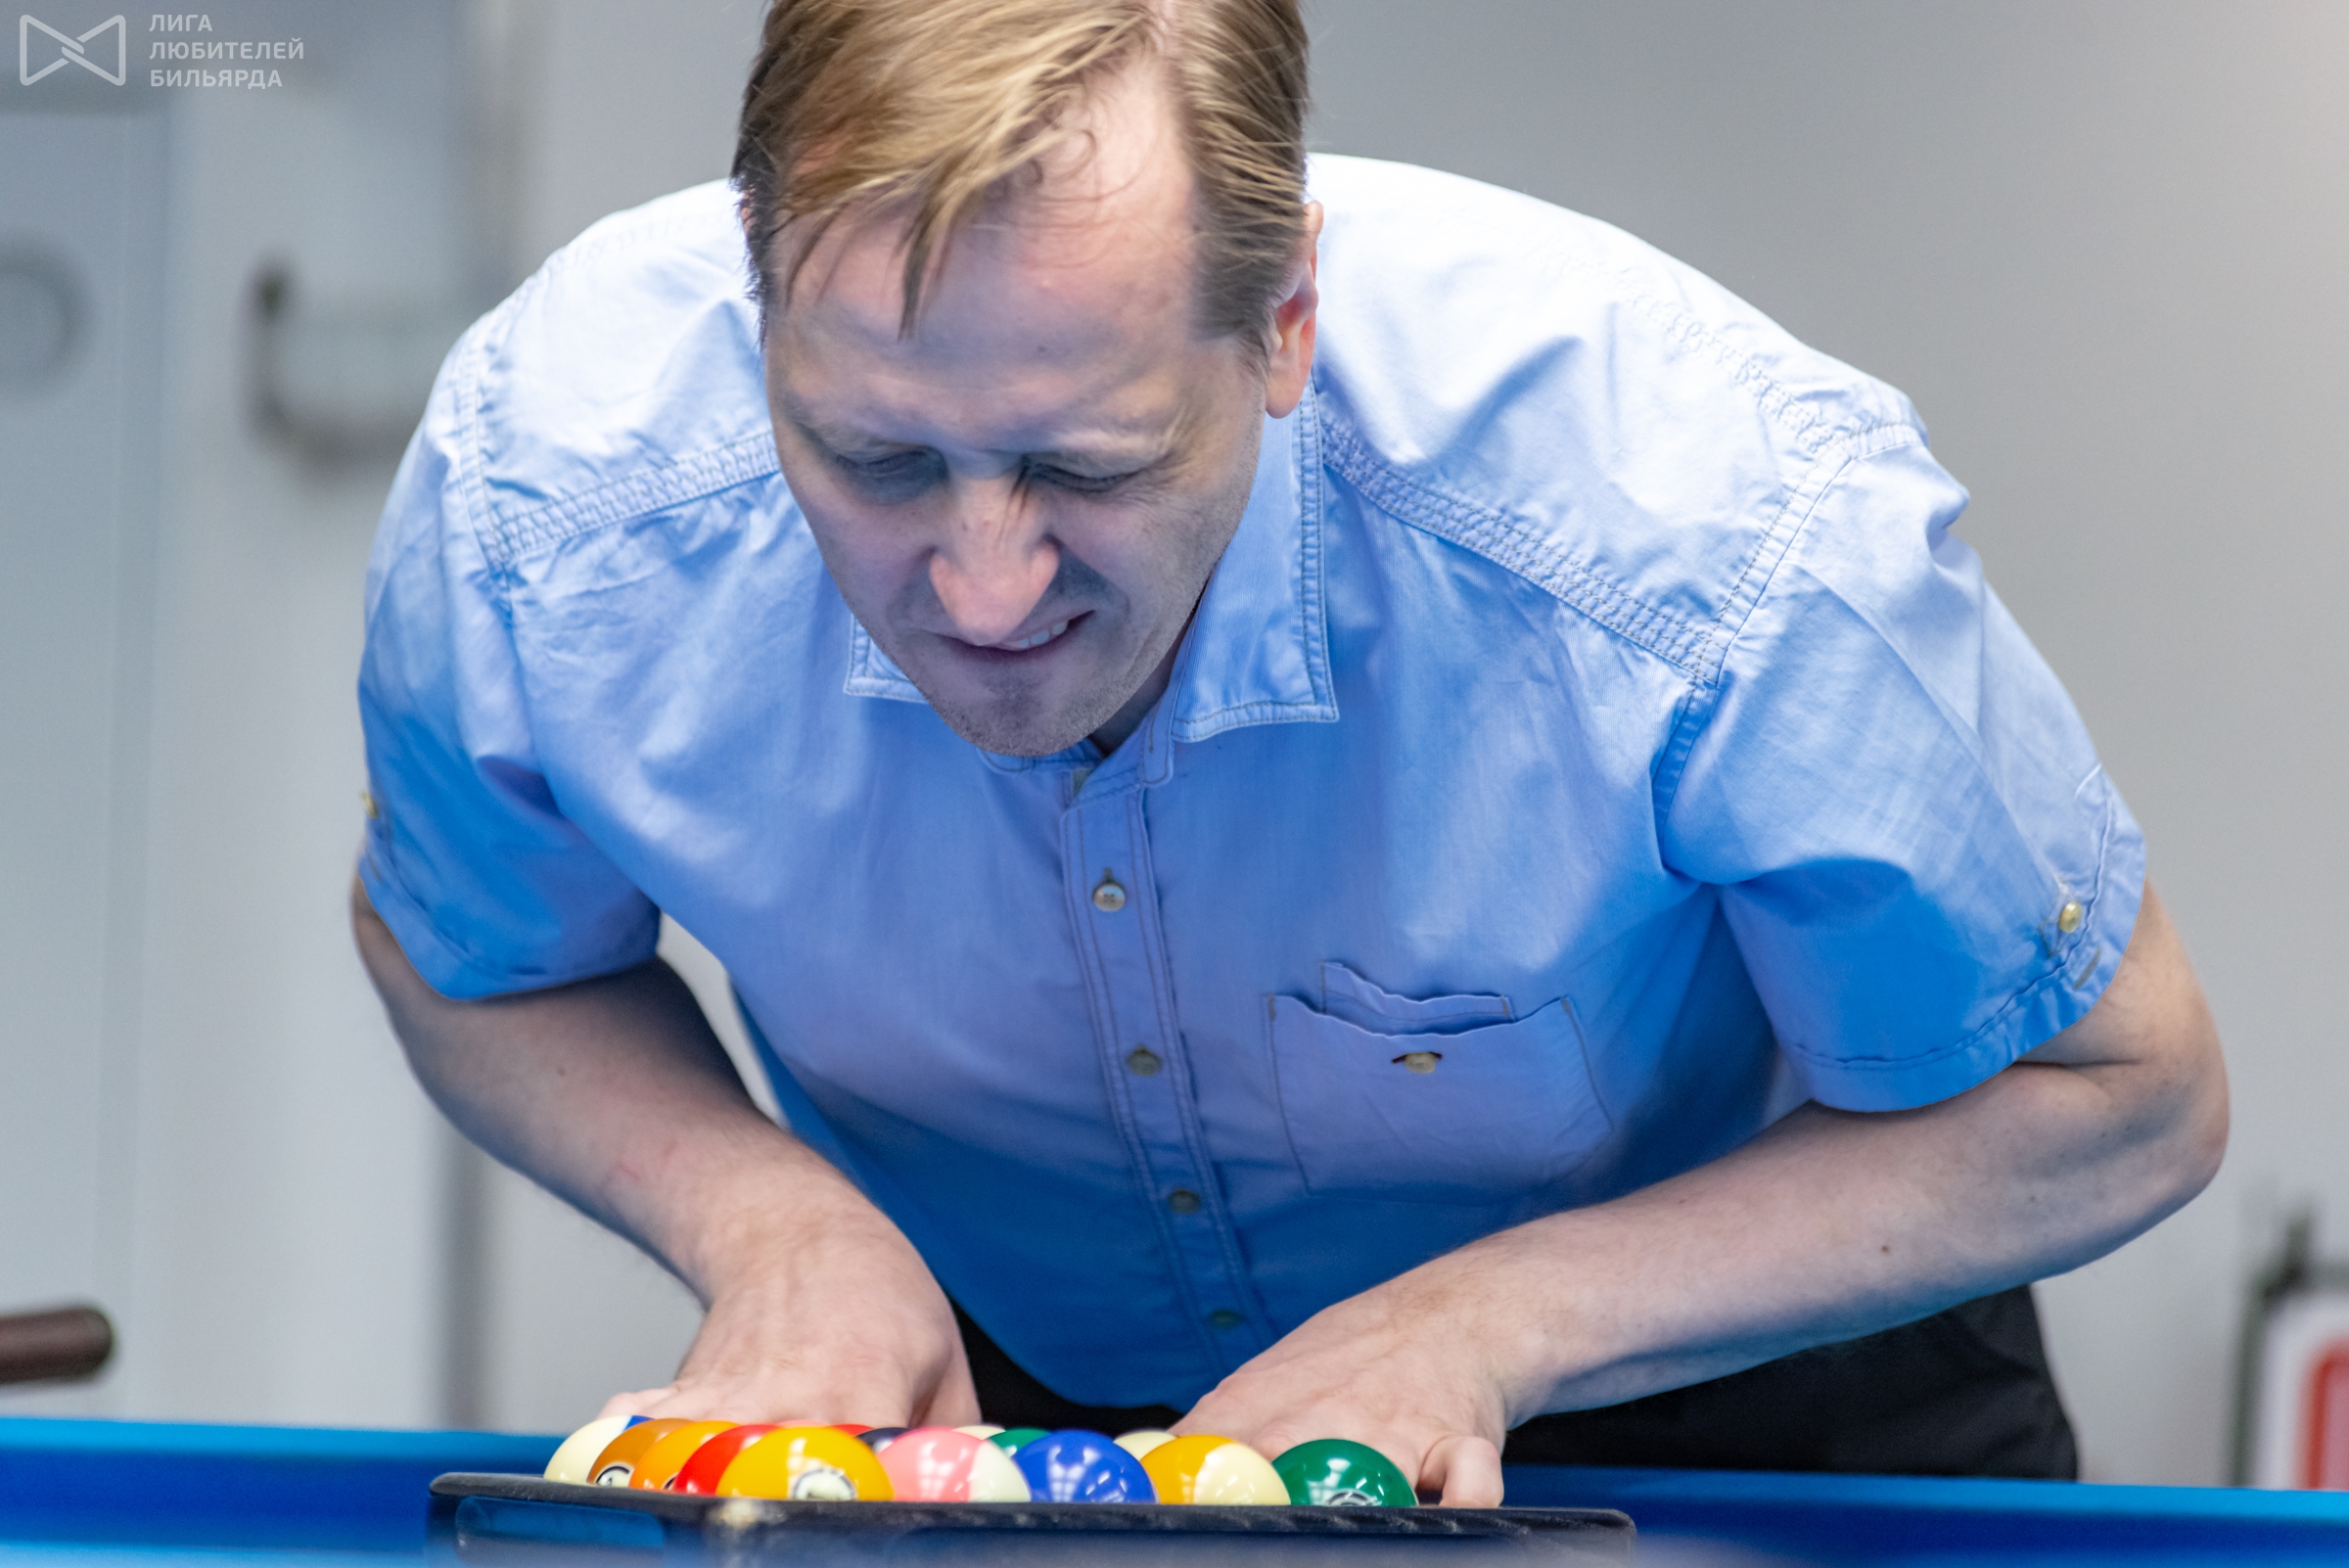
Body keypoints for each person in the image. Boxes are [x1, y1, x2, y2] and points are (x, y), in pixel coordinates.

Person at [351, 0, 2226, 1505]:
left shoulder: (1699, 526)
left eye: (1087, 464)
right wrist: (771, 1223)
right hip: (1022, 1408)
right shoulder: (545, 489)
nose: (985, 587)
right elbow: (473, 956)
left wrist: (1486, 1323)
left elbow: (2125, 1091)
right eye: (877, 459)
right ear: (757, 304)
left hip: (1744, 1398)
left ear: (1286, 324)